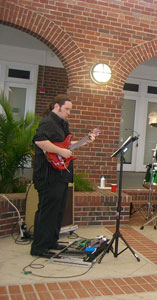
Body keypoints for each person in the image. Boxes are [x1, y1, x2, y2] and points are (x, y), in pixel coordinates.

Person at [30, 94, 96, 258]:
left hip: (60, 174)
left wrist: (84, 141)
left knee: (58, 211)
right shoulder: (48, 122)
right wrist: (60, 151)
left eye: (70, 109)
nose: (69, 112)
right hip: (48, 175)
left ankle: (51, 241)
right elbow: (39, 141)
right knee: (47, 211)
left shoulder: (62, 124)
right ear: (56, 106)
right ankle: (39, 247)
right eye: (66, 109)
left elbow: (65, 146)